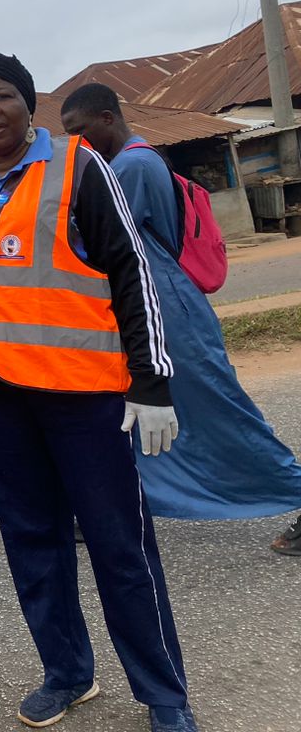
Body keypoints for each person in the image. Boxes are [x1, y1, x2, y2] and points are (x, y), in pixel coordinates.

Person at [0, 54, 198, 732]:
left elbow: (130, 269)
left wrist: (151, 384)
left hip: (84, 396)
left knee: (119, 545)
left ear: (27, 104)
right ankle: (67, 674)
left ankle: (164, 694)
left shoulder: (79, 166)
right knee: (32, 543)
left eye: (1, 96)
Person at [60, 83, 301, 554]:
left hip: (166, 316)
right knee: (124, 416)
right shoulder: (136, 159)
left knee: (219, 416)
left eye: (80, 131)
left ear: (107, 118)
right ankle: (109, 509)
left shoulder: (130, 167)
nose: (75, 143)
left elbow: (92, 242)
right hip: (156, 307)